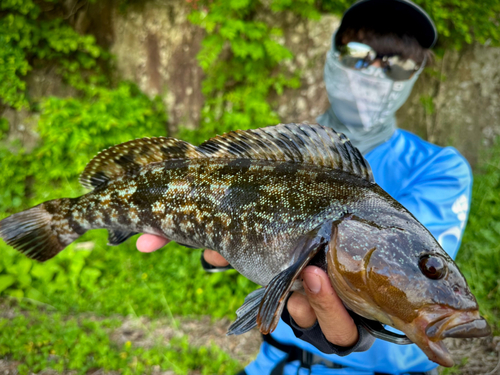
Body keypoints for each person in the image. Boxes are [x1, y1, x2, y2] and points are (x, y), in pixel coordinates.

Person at [137, 0, 473, 374]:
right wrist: (200, 234)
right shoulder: (283, 154)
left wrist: (370, 326)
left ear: (415, 75)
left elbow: (386, 268)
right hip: (276, 365)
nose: (375, 72)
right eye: (358, 54)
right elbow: (234, 242)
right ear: (332, 57)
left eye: (398, 64)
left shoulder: (440, 167)